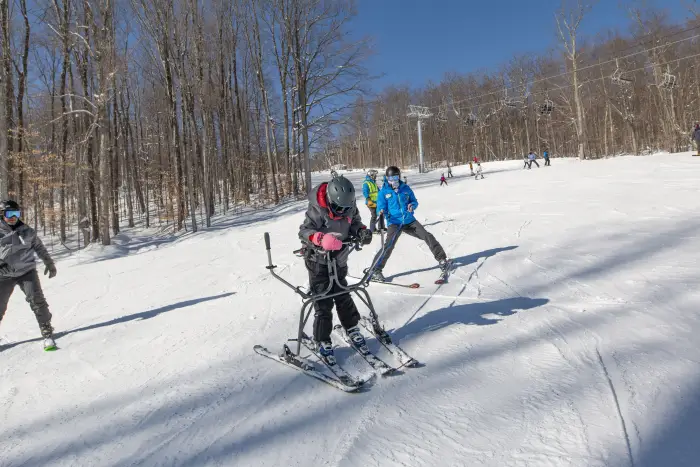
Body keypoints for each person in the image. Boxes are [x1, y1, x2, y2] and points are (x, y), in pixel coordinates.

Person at [298, 174, 373, 365]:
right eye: (338, 208)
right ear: (330, 201)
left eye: (345, 209)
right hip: (318, 262)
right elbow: (304, 231)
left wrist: (361, 231)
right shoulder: (317, 208)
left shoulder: (349, 206)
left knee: (342, 293)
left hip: (339, 259)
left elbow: (355, 222)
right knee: (323, 299)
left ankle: (352, 327)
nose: (342, 212)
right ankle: (322, 339)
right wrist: (320, 239)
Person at [370, 166, 450, 282]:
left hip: (409, 221)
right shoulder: (383, 192)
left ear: (399, 177)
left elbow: (414, 201)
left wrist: (412, 206)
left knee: (427, 236)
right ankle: (375, 270)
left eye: (395, 177)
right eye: (390, 178)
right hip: (394, 222)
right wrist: (381, 211)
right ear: (386, 178)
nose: (393, 180)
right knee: (388, 246)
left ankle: (442, 259)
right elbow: (380, 207)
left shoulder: (405, 188)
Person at [0, 200, 57, 349]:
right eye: (8, 213)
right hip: (3, 274)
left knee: (37, 300)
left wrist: (49, 263)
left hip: (26, 272)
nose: (12, 217)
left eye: (16, 213)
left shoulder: (27, 231)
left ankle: (46, 330)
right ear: (2, 214)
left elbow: (39, 246)